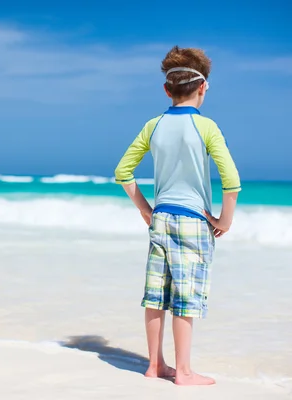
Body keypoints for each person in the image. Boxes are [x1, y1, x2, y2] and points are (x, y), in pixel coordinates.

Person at [114, 46, 241, 386]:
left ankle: (155, 364)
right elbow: (232, 181)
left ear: (167, 90)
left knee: (156, 293)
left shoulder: (153, 126)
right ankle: (183, 372)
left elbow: (123, 172)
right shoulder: (208, 128)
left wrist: (145, 208)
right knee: (186, 295)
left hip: (162, 218)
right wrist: (224, 221)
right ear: (204, 87)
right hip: (193, 220)